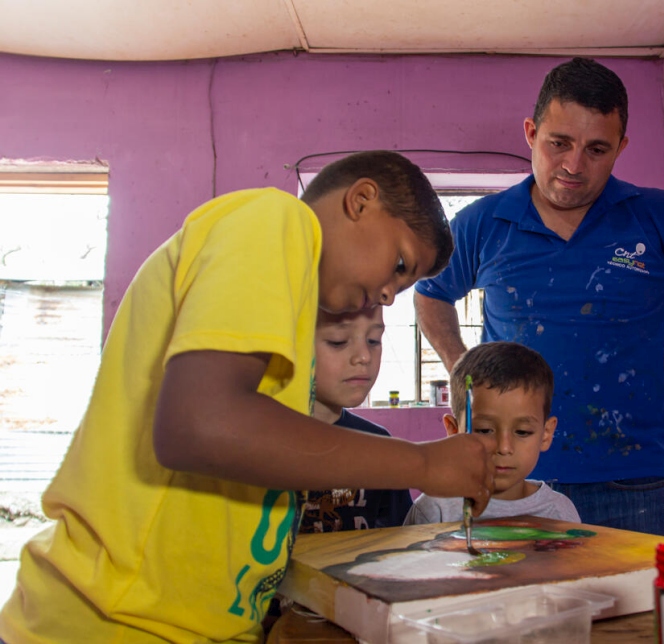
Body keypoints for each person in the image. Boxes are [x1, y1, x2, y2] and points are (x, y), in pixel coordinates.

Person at [0, 151, 494, 644]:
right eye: (399, 264)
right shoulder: (274, 220)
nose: (389, 295)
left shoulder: (288, 328)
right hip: (111, 621)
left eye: (404, 286)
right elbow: (201, 424)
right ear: (361, 201)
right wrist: (424, 465)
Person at [414, 58, 664, 535]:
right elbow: (430, 292)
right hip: (508, 483)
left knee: (636, 612)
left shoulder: (660, 218)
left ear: (621, 147)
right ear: (530, 132)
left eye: (596, 149)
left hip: (632, 483)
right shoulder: (484, 222)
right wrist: (465, 374)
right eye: (558, 143)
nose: (573, 165)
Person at [405, 341, 580, 525]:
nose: (504, 448)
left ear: (546, 434)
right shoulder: (434, 511)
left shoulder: (560, 512)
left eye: (522, 432)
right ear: (454, 431)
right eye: (485, 430)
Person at [298, 305, 412, 533]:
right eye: (338, 341)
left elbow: (396, 543)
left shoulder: (380, 446)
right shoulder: (256, 442)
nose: (364, 356)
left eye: (373, 340)